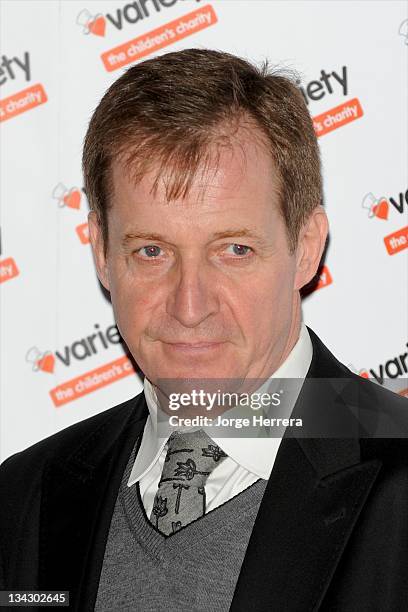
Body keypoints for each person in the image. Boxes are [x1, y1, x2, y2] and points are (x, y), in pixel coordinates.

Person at [1, 48, 407, 612]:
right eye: (151, 251)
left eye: (234, 250)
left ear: (306, 247)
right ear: (100, 253)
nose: (190, 306)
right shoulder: (27, 494)